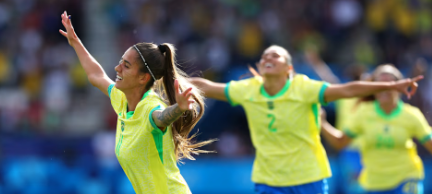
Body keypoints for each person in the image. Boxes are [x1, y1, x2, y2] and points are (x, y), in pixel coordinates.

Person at [189, 45, 422, 194]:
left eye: (276, 55)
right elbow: (208, 87)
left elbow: (347, 89)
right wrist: (170, 79)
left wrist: (392, 85)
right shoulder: (248, 89)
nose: (269, 57)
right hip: (269, 180)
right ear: (260, 66)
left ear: (289, 68)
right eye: (265, 56)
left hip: (308, 178)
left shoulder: (305, 88)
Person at [59, 11, 214, 194]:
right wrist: (75, 42)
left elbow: (161, 117)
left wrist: (179, 109)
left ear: (143, 78)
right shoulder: (121, 98)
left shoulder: (151, 107)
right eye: (120, 62)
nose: (117, 68)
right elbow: (96, 75)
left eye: (126, 65)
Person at [321, 64, 432, 194]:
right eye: (379, 84)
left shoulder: (411, 115)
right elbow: (340, 142)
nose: (384, 88)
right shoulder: (363, 113)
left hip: (406, 180)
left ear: (399, 87)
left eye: (389, 83)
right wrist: (322, 122)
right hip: (374, 184)